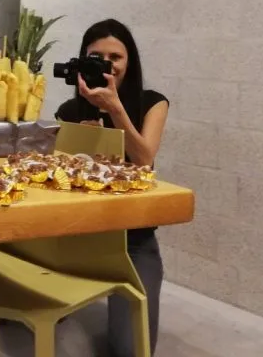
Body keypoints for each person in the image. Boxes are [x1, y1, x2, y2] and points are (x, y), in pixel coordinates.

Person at [55, 19, 169, 357]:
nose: (107, 65)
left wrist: (115, 110)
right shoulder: (69, 110)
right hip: (76, 234)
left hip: (132, 240)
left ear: (129, 61)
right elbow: (60, 179)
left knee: (132, 350)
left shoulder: (152, 103)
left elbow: (144, 159)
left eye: (115, 57)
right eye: (96, 56)